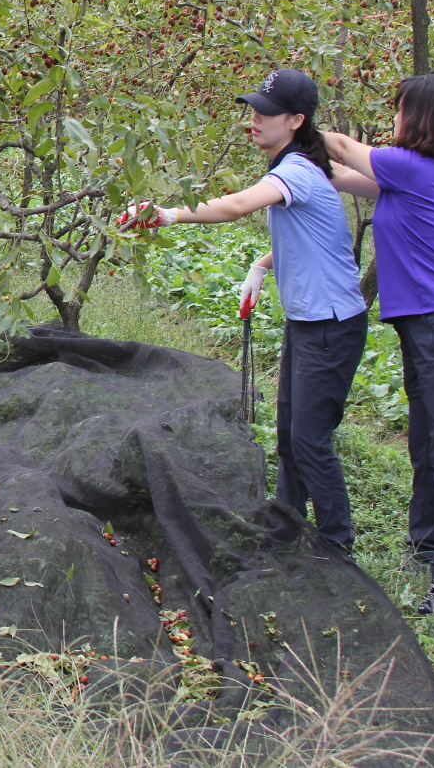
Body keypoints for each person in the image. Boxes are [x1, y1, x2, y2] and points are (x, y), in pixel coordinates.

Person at [121, 69, 368, 556]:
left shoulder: (296, 169)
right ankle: (288, 521)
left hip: (331, 324)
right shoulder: (303, 165)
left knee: (311, 437)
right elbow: (317, 237)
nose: (253, 120)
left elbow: (237, 206)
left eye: (266, 113)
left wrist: (169, 214)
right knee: (289, 430)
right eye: (252, 110)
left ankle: (337, 543)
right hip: (310, 320)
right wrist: (262, 264)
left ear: (296, 120)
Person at [325, 74, 434, 614]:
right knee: (426, 444)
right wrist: (285, 146)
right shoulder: (410, 177)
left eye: (397, 110)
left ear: (418, 117)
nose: (391, 119)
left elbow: (346, 149)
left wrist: (297, 111)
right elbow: (338, 174)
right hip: (428, 332)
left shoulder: (412, 166)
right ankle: (427, 545)